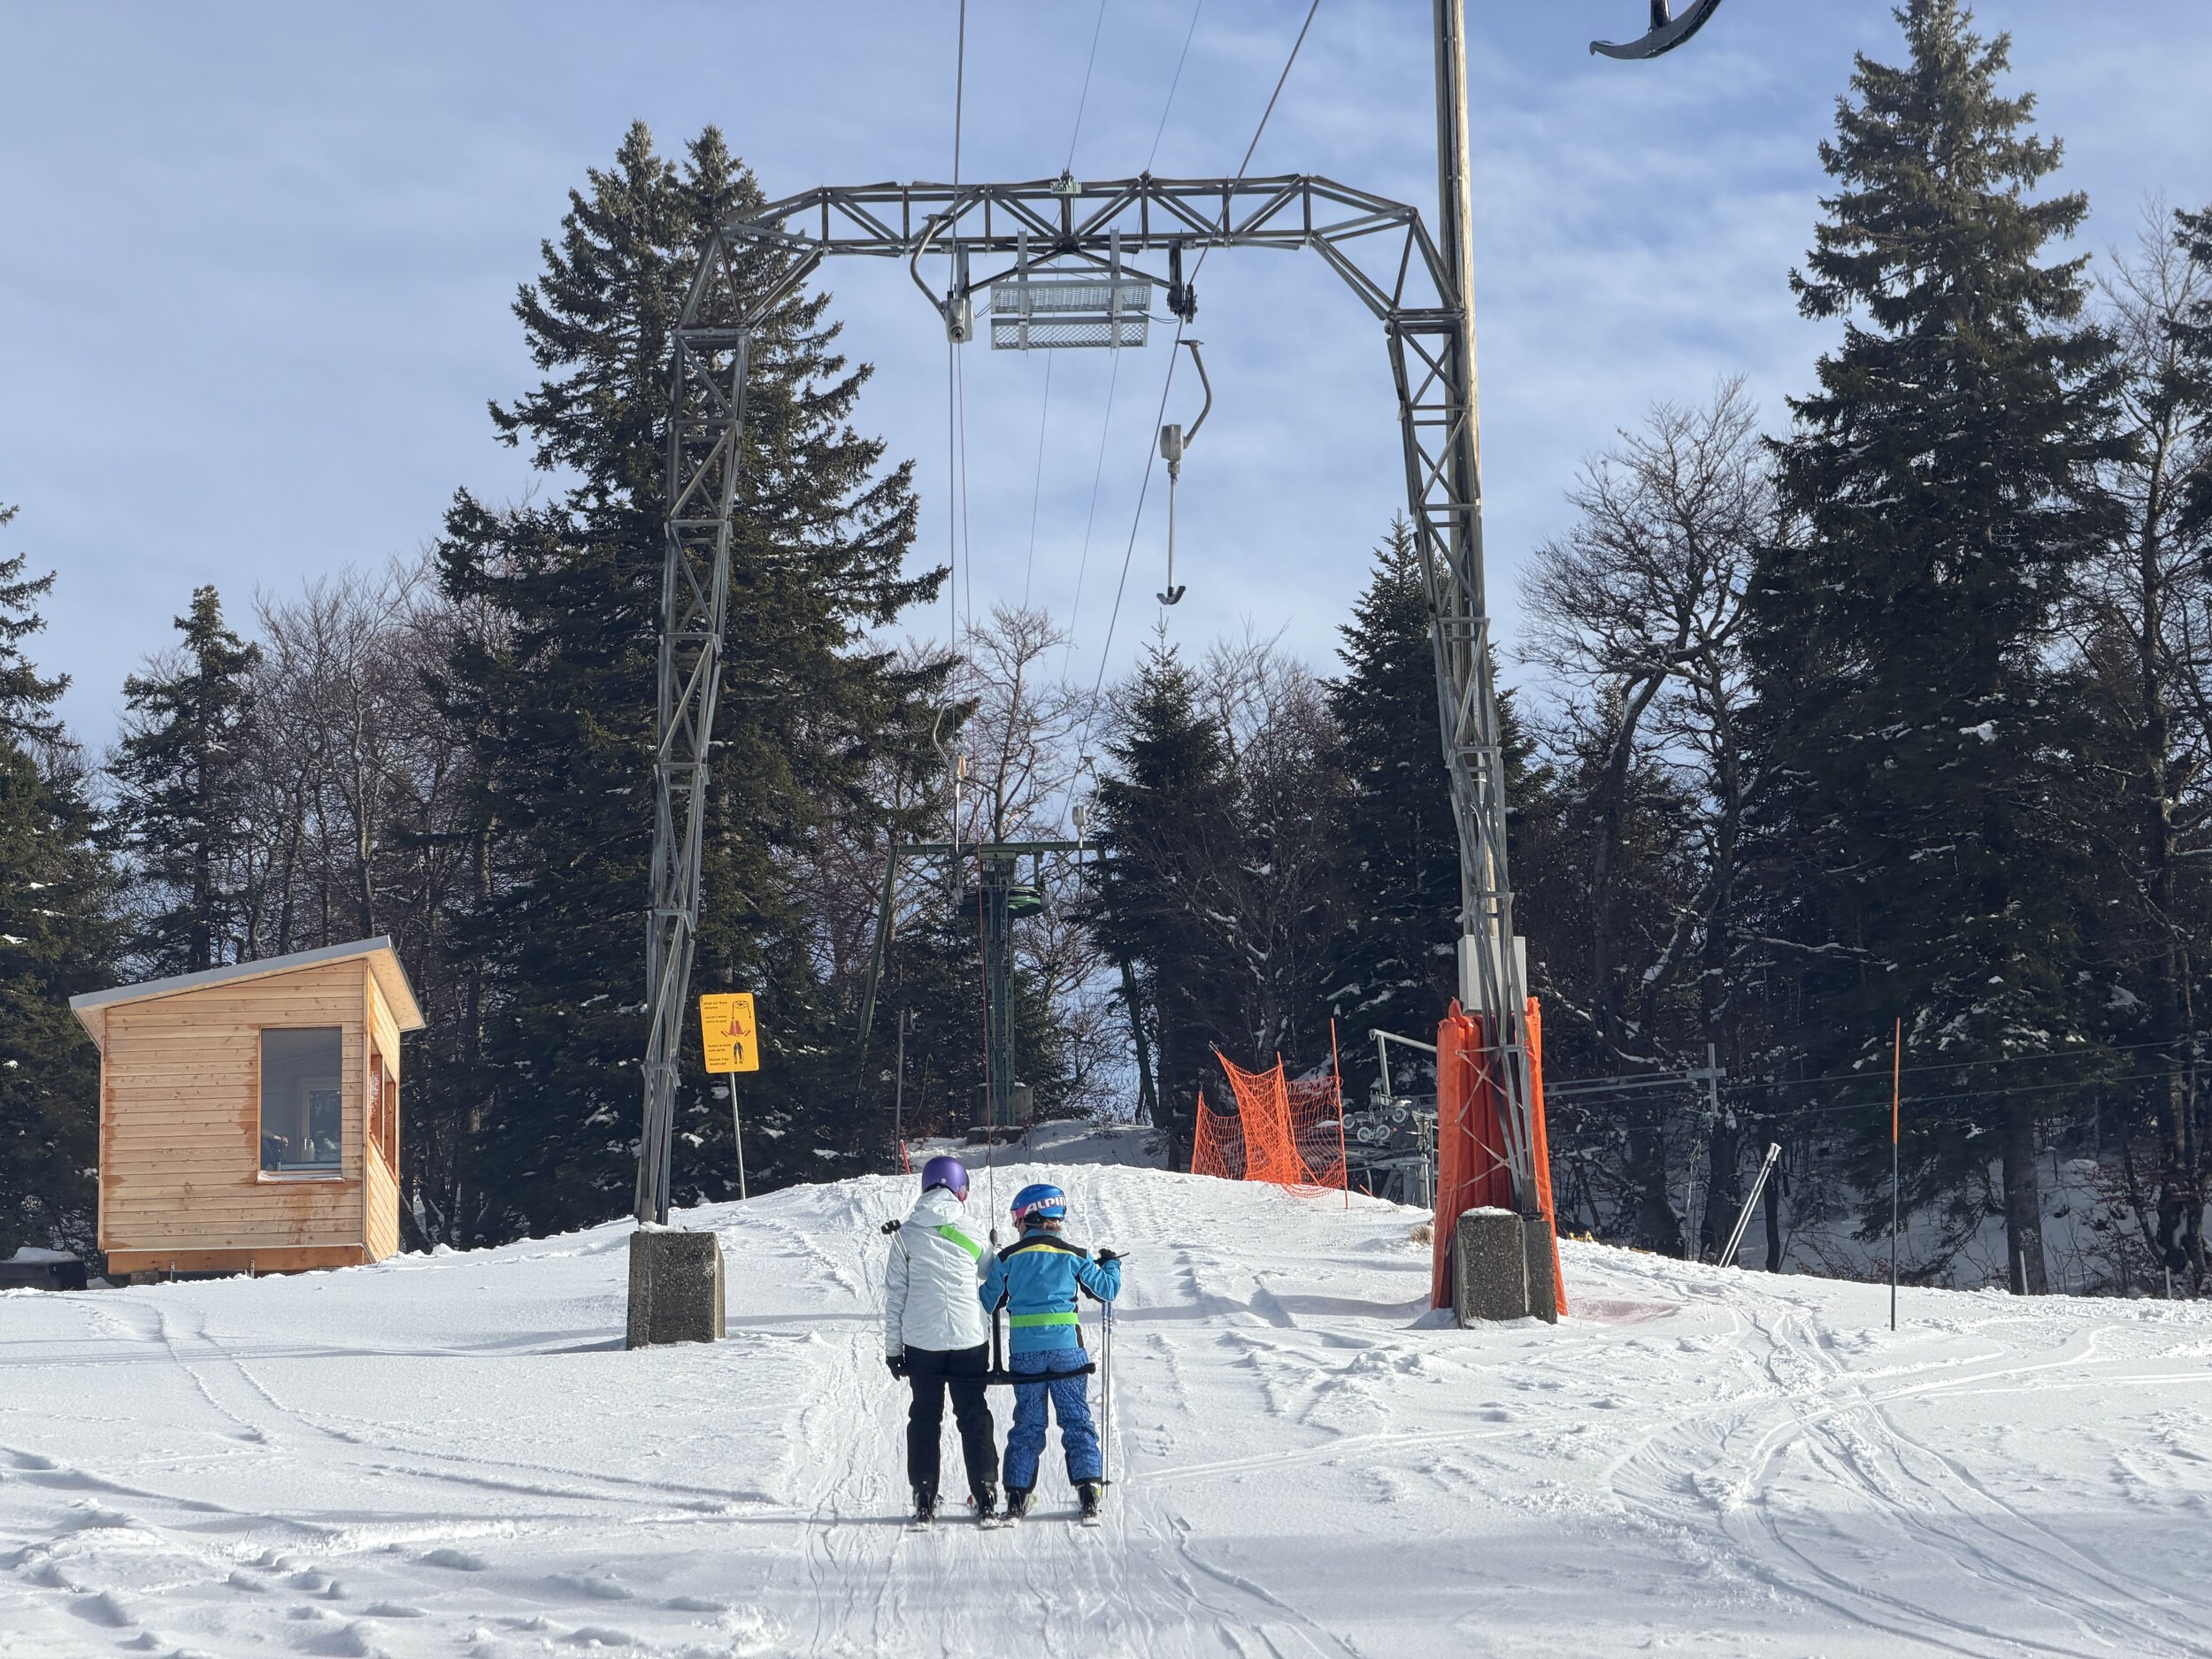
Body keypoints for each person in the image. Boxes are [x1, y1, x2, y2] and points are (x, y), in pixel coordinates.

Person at [979, 1182, 1122, 1521]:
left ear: (1030, 1216)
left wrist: (995, 1265)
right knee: (1076, 1421)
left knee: (1027, 1425)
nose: (1015, 1225)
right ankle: (1089, 1492)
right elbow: (1107, 1290)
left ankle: (1017, 1497)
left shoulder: (1008, 1258)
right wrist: (1111, 1264)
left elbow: (987, 1301)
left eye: (1016, 1219)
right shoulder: (1075, 1254)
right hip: (1067, 1353)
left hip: (1025, 1356)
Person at [883, 1156, 997, 1526]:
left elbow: (895, 1296)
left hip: (922, 1343)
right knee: (973, 1413)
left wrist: (893, 1350)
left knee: (924, 1415)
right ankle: (985, 1491)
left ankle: (924, 1495)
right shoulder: (971, 1228)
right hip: (969, 1339)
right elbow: (989, 1272)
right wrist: (992, 1246)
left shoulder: (905, 1235)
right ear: (959, 1189)